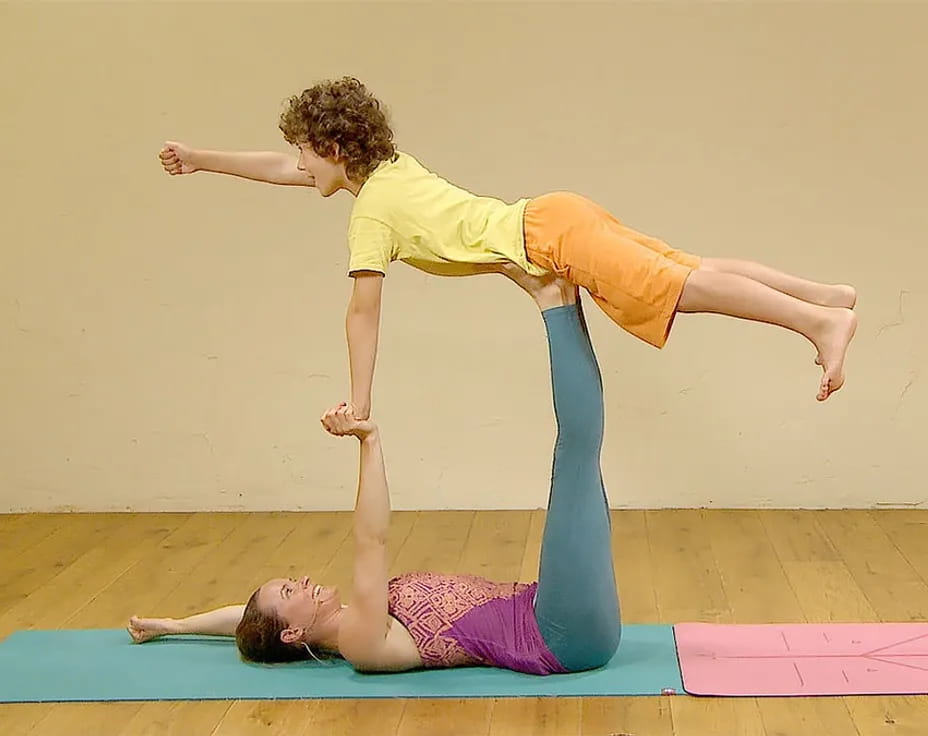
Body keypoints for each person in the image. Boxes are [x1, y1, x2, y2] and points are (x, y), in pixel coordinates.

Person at [159, 77, 857, 410]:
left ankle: (818, 322)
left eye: (308, 152)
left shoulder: (371, 211)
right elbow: (285, 171)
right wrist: (201, 159)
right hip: (554, 215)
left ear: (338, 149)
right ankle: (822, 294)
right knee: (685, 266)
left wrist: (360, 399)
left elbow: (362, 314)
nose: (299, 165)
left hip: (548, 236)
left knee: (680, 288)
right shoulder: (383, 174)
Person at [128, 276, 622, 675]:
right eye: (289, 592)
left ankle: (560, 295)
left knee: (580, 461)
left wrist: (172, 624)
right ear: (294, 636)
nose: (302, 581)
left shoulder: (326, 621)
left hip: (549, 605)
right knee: (576, 454)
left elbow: (246, 617)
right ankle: (555, 299)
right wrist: (369, 441)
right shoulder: (362, 640)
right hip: (557, 636)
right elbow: (371, 539)